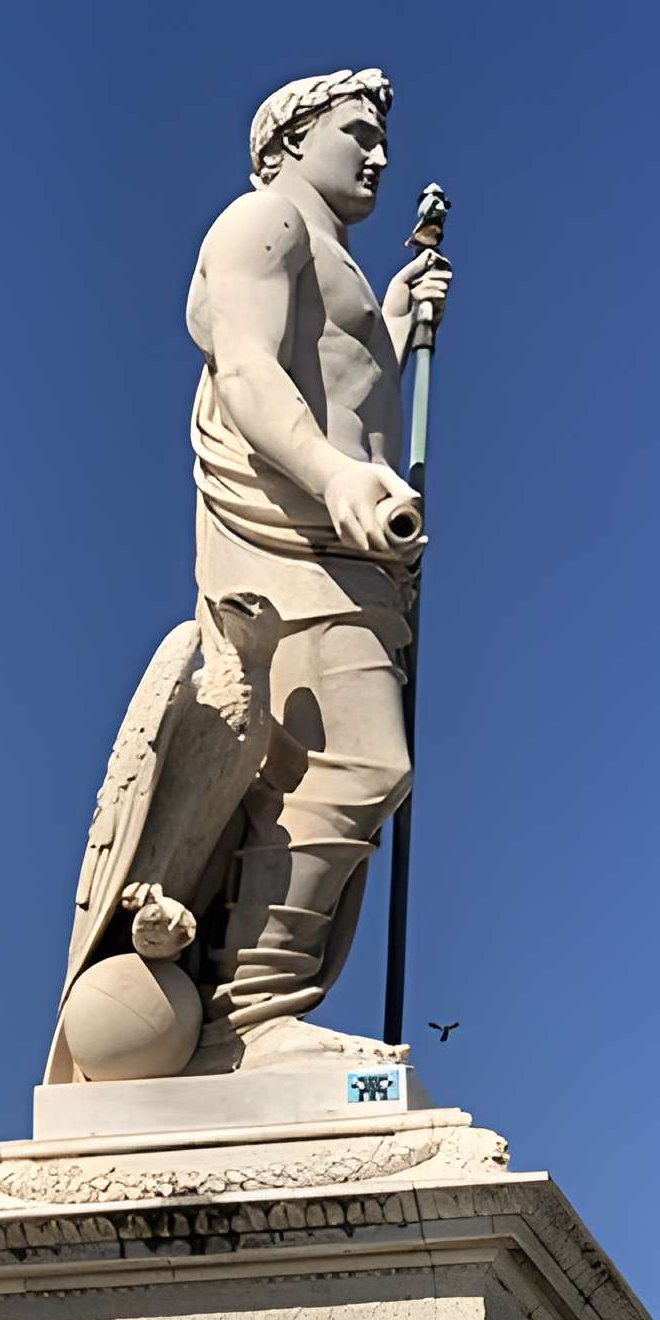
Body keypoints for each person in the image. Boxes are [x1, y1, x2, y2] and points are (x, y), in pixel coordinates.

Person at [184, 68, 451, 1066]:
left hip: (355, 556)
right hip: (290, 545)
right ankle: (253, 1015)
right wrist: (339, 477)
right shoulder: (262, 227)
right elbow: (250, 370)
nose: (378, 153)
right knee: (360, 764)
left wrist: (392, 320)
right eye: (356, 131)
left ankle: (254, 1000)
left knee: (326, 779)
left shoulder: (331, 258)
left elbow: (341, 381)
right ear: (286, 143)